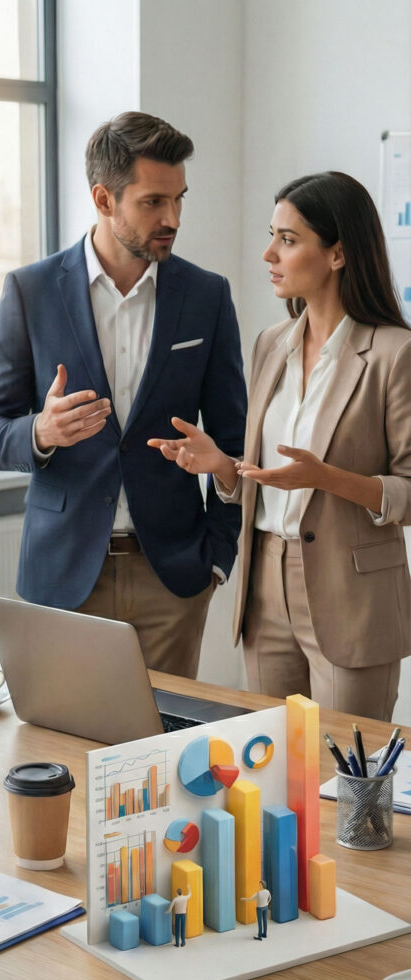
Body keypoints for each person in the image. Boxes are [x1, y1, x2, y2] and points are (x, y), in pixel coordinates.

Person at [0, 111, 247, 677]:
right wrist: (40, 432)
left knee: (162, 755)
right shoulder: (31, 291)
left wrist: (216, 560)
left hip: (171, 581)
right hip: (63, 578)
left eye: (179, 200)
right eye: (152, 203)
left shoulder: (206, 297)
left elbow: (235, 443)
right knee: (61, 755)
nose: (172, 218)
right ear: (104, 198)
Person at [149, 171, 411, 718]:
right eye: (272, 235)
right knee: (272, 768)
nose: (269, 253)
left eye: (288, 240)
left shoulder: (394, 354)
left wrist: (326, 479)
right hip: (265, 580)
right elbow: (264, 480)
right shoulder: (272, 344)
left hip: (351, 596)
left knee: (347, 774)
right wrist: (223, 468)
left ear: (337, 254)